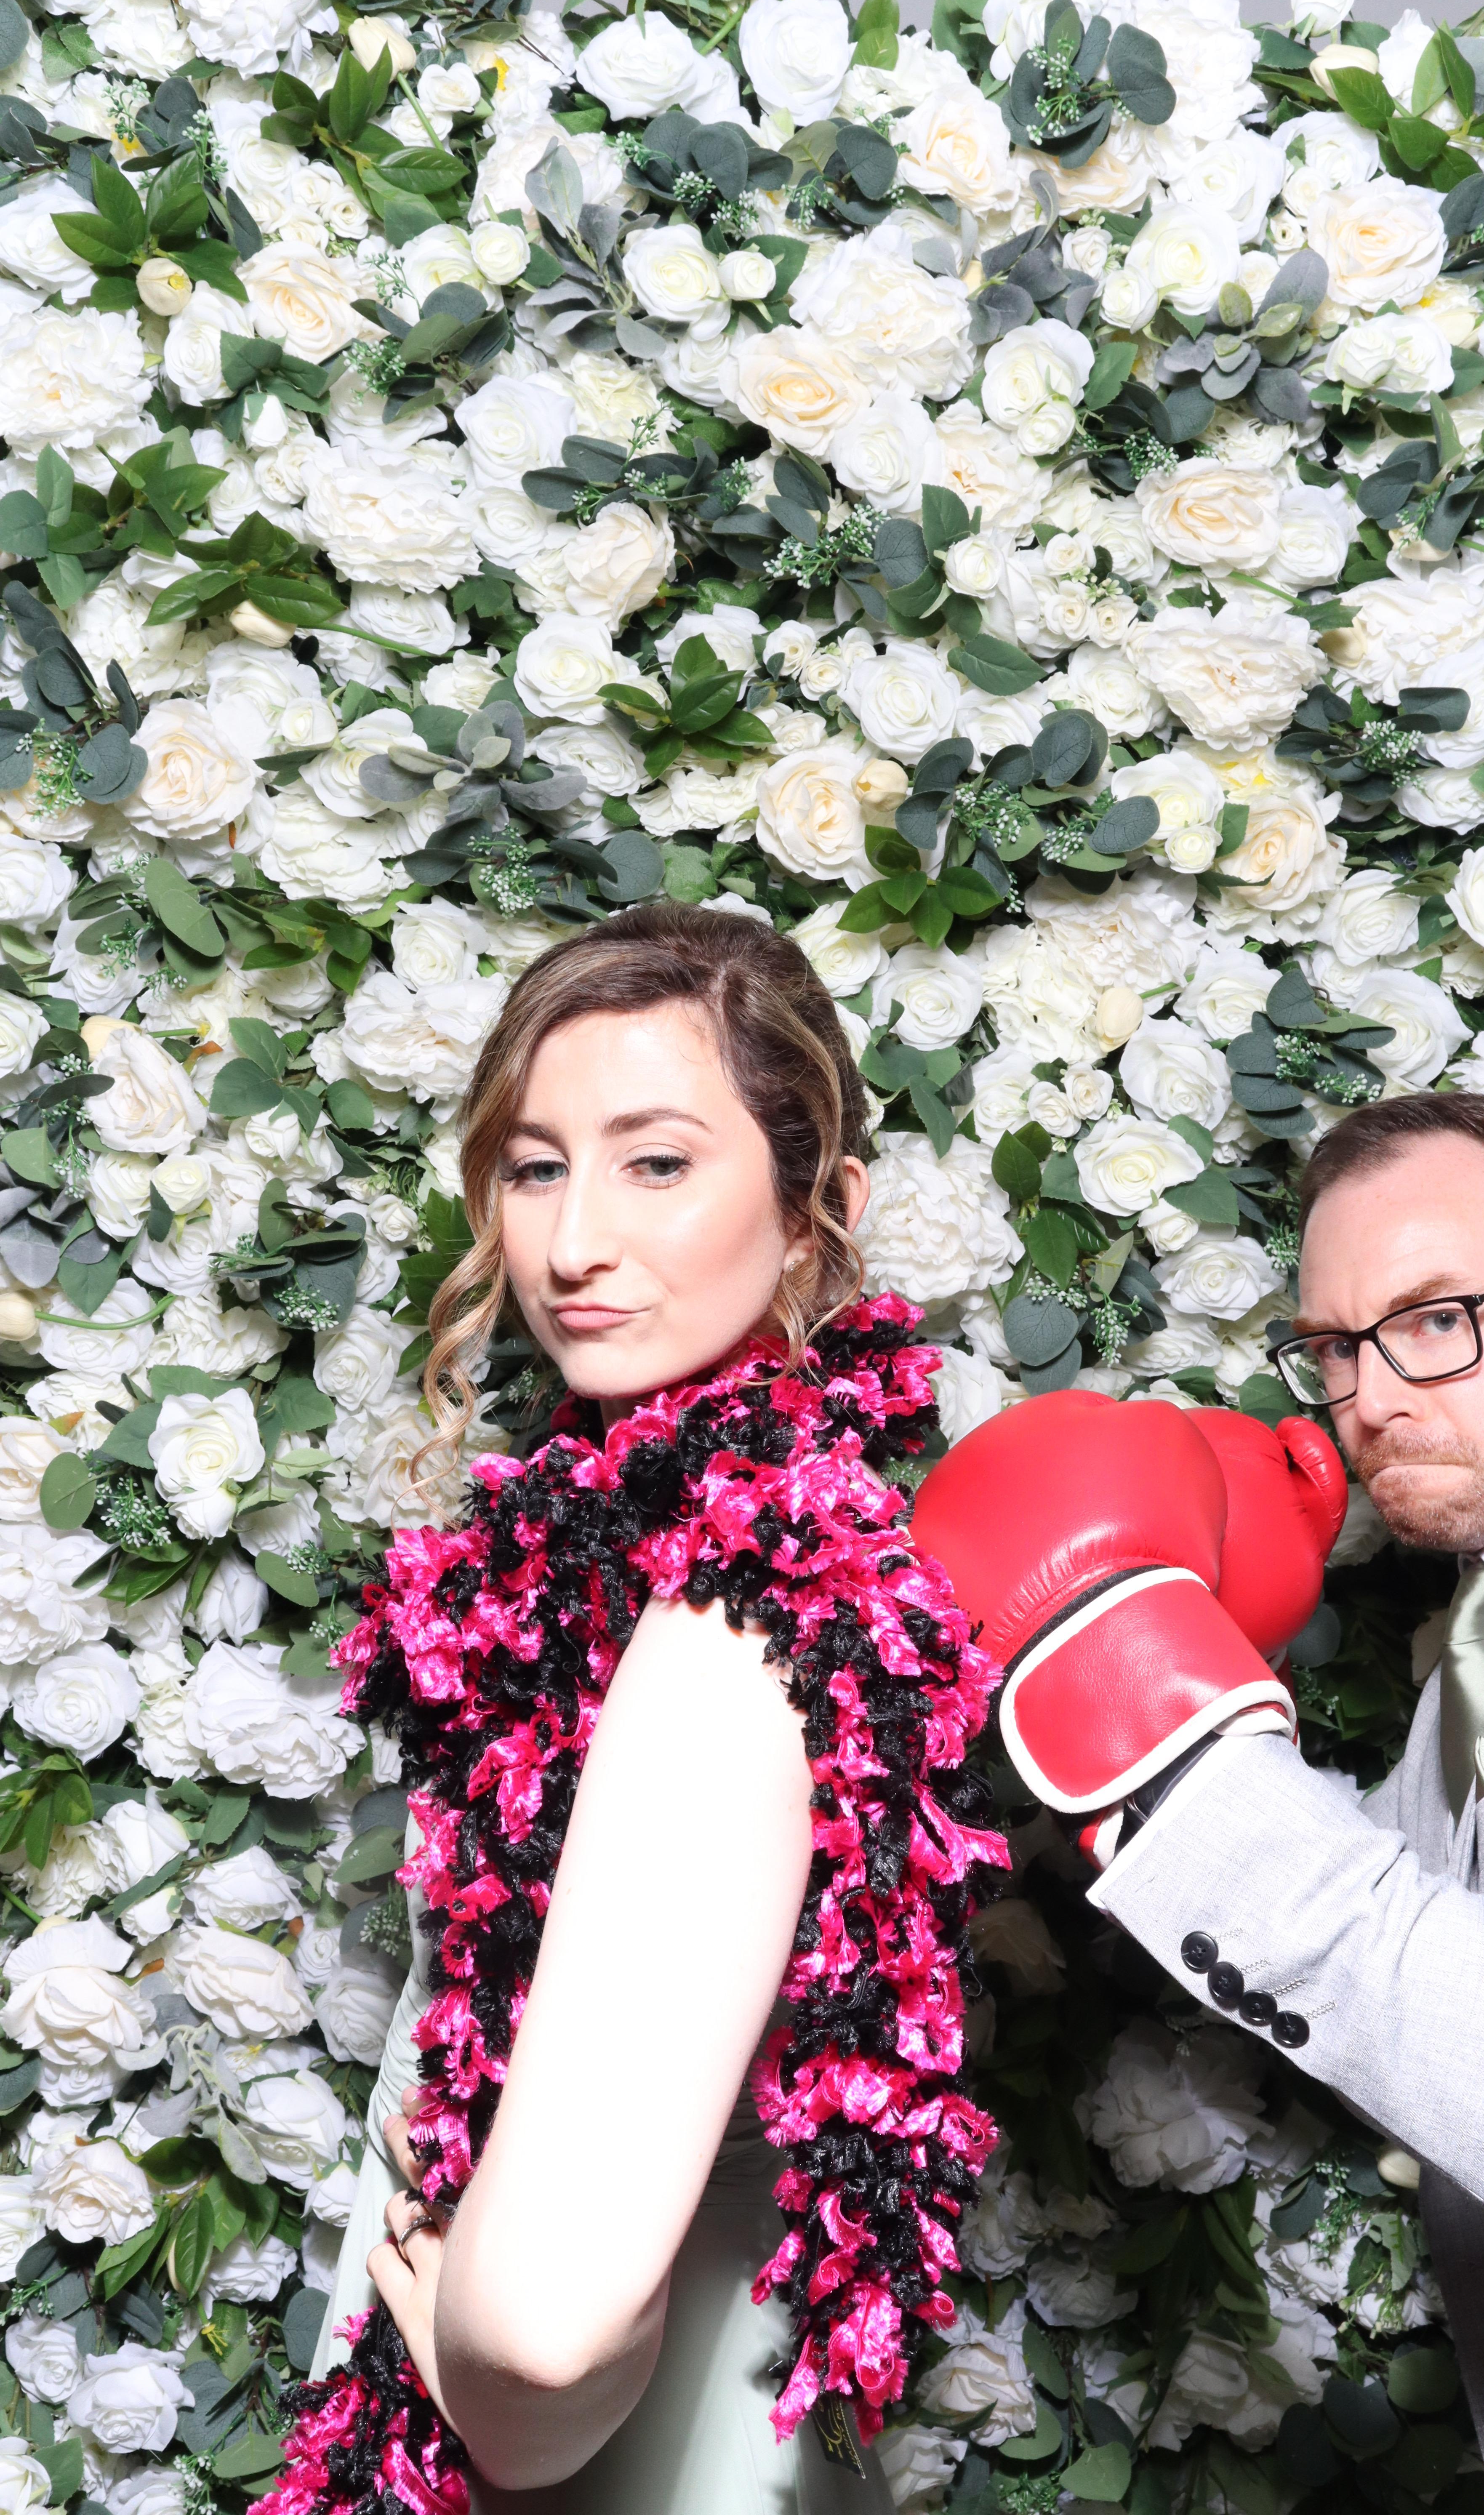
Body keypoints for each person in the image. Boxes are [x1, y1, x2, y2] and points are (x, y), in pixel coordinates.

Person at [298, 904, 1007, 2515]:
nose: (569, 1244)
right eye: (538, 1166)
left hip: (630, 2454)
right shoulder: (624, 1564)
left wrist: (477, 2391)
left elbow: (543, 2343)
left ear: (824, 1212)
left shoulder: (735, 1611)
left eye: (659, 1162)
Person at [914, 1092, 1484, 2513]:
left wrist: (1152, 1712)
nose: (1370, 1397)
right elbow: (1406, 1971)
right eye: (1332, 1346)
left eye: (1438, 1316)